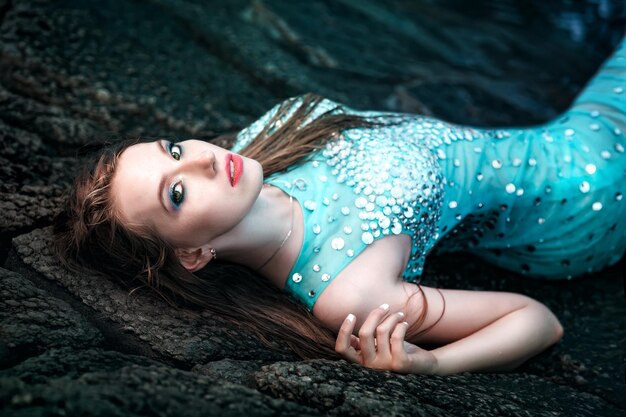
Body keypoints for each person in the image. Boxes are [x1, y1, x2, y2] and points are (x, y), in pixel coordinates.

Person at [54, 35, 625, 375]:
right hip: (585, 197)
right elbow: (537, 321)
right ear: (194, 254)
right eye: (176, 194)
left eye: (173, 149)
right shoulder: (349, 291)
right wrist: (433, 364)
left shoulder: (271, 135)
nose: (202, 159)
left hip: (559, 136)